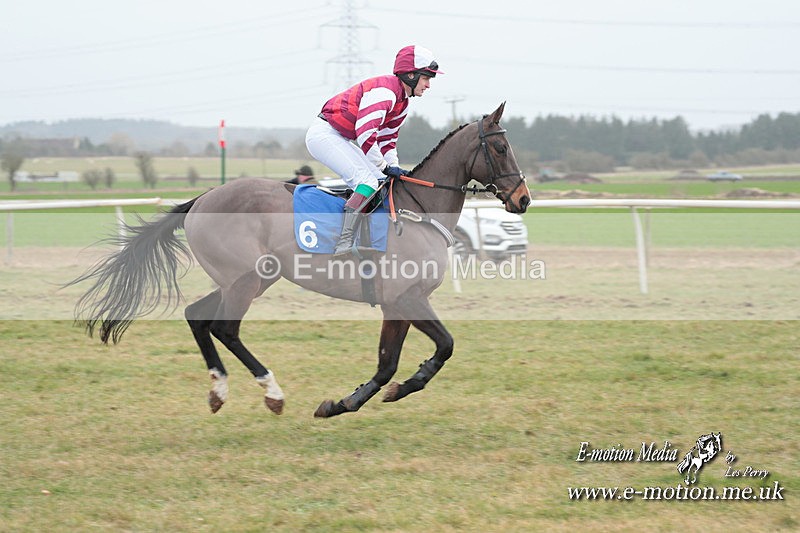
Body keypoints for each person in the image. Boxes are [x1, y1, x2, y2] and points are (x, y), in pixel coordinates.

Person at [305, 45, 442, 255]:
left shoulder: (402, 102)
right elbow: (366, 134)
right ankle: (343, 241)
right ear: (411, 75)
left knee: (381, 179)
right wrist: (385, 166)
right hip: (324, 135)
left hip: (341, 136)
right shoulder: (385, 93)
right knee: (367, 182)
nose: (428, 85)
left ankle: (367, 236)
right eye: (426, 78)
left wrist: (393, 167)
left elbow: (387, 140)